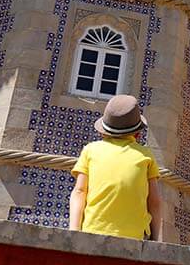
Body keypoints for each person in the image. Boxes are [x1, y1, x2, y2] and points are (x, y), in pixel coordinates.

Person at [69, 94, 163, 240]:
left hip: (93, 232)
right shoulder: (145, 155)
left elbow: (80, 192)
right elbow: (154, 201)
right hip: (135, 236)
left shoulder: (90, 150)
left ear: (103, 131)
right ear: (137, 133)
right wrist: (155, 239)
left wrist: (73, 231)